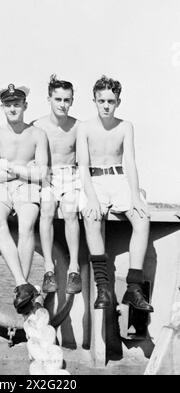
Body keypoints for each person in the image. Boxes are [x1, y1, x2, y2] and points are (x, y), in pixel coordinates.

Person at [77, 75, 153, 311]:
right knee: (91, 217)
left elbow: (129, 161)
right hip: (94, 181)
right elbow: (82, 165)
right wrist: (90, 197)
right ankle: (103, 288)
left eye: (111, 101)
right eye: (102, 101)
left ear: (118, 102)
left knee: (141, 218)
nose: (106, 106)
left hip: (119, 179)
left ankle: (133, 287)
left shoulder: (125, 127)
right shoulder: (85, 128)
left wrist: (135, 195)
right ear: (95, 101)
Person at [0, 83, 48, 314]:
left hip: (27, 186)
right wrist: (23, 168)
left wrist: (11, 167)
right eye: (8, 104)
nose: (13, 108)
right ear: (3, 107)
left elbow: (41, 173)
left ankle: (22, 287)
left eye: (17, 104)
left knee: (27, 224)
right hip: (0, 186)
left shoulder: (37, 135)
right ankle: (22, 283)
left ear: (25, 105)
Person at [33, 75, 82, 294]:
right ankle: (48, 269)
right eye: (58, 99)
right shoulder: (38, 126)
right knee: (47, 210)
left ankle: (73, 269)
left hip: (71, 176)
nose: (62, 104)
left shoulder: (78, 127)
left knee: (70, 212)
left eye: (67, 100)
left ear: (72, 101)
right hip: (47, 177)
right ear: (49, 99)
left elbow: (83, 161)